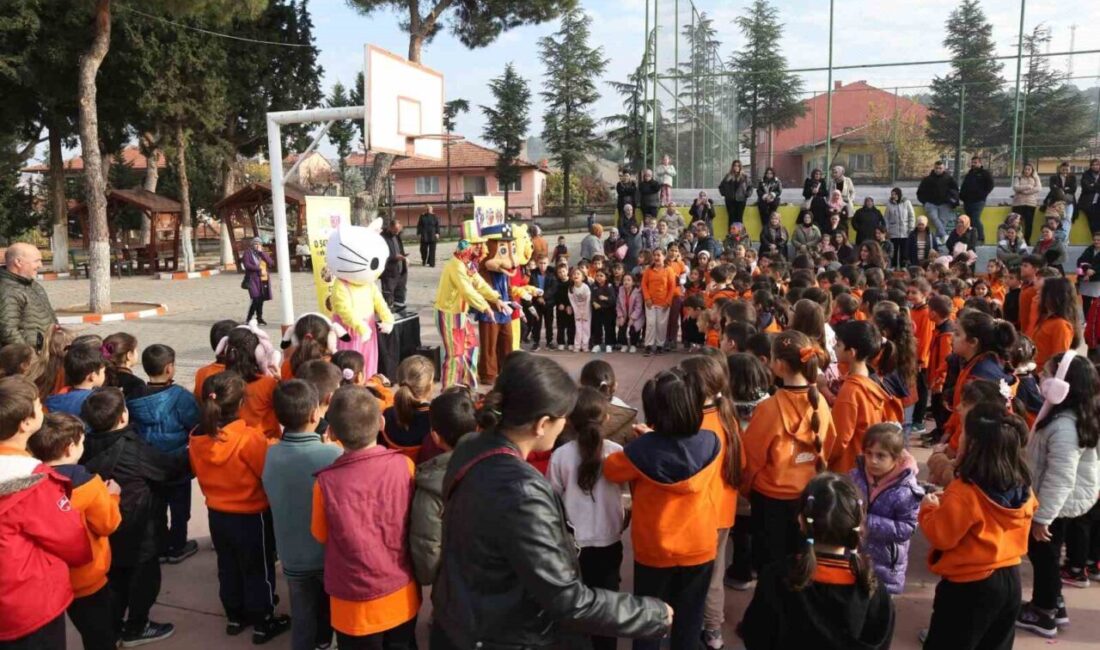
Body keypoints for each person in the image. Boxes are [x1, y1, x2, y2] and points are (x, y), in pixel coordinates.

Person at [432, 353, 671, 649]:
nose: (566, 426)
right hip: (502, 632)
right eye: (563, 418)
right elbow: (567, 600)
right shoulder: (523, 491)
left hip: (462, 615)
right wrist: (652, 613)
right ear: (543, 424)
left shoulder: (470, 448)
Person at [604, 369, 721, 650]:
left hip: (655, 549)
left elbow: (611, 470)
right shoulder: (711, 441)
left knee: (648, 621)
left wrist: (646, 439)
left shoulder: (640, 450)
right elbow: (679, 451)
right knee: (690, 621)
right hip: (700, 546)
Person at [310, 385, 420, 648]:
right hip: (401, 595)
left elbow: (320, 534)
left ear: (332, 432)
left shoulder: (324, 484)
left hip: (352, 605)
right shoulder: (405, 466)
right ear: (381, 422)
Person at [919, 405, 1036, 650]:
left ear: (972, 445)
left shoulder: (965, 492)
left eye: (962, 434)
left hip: (969, 585)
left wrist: (929, 509)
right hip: (1010, 579)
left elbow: (942, 536)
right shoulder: (1022, 487)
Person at [80, 387, 189, 646]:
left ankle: (114, 625)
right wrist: (188, 454)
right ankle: (137, 625)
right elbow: (167, 469)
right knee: (144, 579)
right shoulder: (133, 448)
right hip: (138, 526)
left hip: (104, 526)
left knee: (115, 579)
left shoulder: (84, 445)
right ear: (122, 417)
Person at [740, 474, 895, 650]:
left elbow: (756, 636)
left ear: (801, 521)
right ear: (858, 524)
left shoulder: (777, 577)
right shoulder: (872, 588)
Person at [190, 372, 290, 643]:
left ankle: (235, 615)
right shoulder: (248, 437)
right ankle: (263, 619)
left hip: (217, 512)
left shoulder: (197, 436)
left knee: (228, 565)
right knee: (259, 568)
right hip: (251, 513)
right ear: (241, 403)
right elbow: (264, 472)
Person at [0, 376, 92, 650]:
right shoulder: (34, 483)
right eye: (39, 405)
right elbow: (70, 539)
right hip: (27, 604)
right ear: (26, 423)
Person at [1019, 352, 1099, 637]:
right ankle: (1054, 601)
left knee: (1044, 555)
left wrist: (1042, 518)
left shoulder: (1065, 425)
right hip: (1057, 502)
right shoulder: (1063, 414)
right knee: (1046, 555)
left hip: (1055, 504)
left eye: (1048, 374)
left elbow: (1061, 477)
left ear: (1065, 384)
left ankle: (1044, 612)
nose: (1042, 378)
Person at [28, 413, 122, 650]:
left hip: (48, 578)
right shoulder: (88, 483)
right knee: (99, 634)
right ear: (70, 448)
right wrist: (113, 495)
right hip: (87, 577)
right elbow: (107, 523)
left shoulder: (30, 483)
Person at [743, 331, 835, 571]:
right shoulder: (821, 404)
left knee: (770, 566)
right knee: (800, 564)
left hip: (770, 499)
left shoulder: (769, 408)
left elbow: (751, 460)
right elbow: (830, 444)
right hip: (809, 496)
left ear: (780, 365)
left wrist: (745, 490)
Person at [263, 380, 342, 650]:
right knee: (331, 611)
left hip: (292, 555)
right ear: (314, 414)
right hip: (326, 554)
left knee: (302, 614)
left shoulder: (271, 454)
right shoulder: (332, 454)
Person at [548, 387, 628, 650]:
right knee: (607, 607)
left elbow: (553, 500)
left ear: (569, 420)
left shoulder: (560, 455)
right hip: (609, 542)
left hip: (574, 546)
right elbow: (628, 496)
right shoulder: (617, 452)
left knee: (576, 608)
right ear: (606, 419)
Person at [126, 344, 200, 564]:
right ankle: (177, 546)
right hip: (177, 462)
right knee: (180, 508)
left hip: (148, 461)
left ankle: (158, 544)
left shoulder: (134, 397)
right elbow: (194, 423)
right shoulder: (179, 396)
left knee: (156, 507)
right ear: (170, 368)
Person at [409, 388, 478, 586]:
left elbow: (427, 545)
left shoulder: (431, 486)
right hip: (495, 578)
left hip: (453, 583)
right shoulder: (496, 464)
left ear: (435, 436)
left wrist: (428, 576)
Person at [847, 423, 922, 595]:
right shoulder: (854, 477)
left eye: (881, 456)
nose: (873, 460)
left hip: (886, 567)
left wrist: (868, 523)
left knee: (879, 613)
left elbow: (907, 529)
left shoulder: (906, 491)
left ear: (897, 459)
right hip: (854, 558)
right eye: (869, 453)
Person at [829, 321, 898, 474]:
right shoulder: (872, 380)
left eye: (838, 344)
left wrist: (823, 459)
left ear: (851, 352)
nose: (834, 347)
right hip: (864, 467)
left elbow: (839, 439)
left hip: (847, 468)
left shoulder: (850, 391)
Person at [0, 242, 56, 352]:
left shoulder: (32, 284)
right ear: (18, 262)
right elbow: (8, 331)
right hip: (27, 361)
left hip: (43, 353)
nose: (41, 265)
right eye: (36, 261)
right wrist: (30, 356)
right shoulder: (7, 290)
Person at [381, 355, 434, 459]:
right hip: (427, 470)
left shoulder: (387, 415)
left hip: (394, 471)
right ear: (430, 385)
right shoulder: (435, 418)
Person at [44, 343, 106, 416]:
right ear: (92, 376)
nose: (105, 374)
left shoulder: (52, 401)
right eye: (103, 371)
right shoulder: (101, 401)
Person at [1032, 277, 1079, 369]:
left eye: (1043, 291)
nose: (1038, 292)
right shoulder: (1046, 319)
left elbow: (1059, 361)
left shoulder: (1061, 325)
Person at [916, 161, 959, 248]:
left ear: (944, 169)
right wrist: (925, 202)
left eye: (940, 168)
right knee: (935, 219)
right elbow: (920, 192)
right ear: (934, 168)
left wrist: (952, 201)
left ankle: (937, 240)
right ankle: (944, 235)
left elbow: (955, 191)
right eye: (936, 168)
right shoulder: (928, 179)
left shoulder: (949, 179)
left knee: (942, 221)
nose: (938, 170)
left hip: (945, 204)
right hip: (931, 204)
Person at [642, 248, 675, 357]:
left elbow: (672, 287)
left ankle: (660, 346)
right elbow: (644, 285)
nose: (656, 257)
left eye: (659, 255)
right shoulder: (648, 270)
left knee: (661, 325)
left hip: (663, 303)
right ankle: (649, 345)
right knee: (651, 324)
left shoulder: (669, 270)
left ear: (664, 257)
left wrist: (668, 301)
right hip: (650, 303)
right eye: (655, 255)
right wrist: (647, 298)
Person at [960, 155, 995, 243]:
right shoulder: (969, 174)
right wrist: (962, 196)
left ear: (980, 163)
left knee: (975, 219)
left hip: (978, 201)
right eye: (972, 163)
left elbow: (990, 185)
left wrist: (983, 194)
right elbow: (964, 186)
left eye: (975, 163)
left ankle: (981, 238)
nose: (973, 164)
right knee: (969, 221)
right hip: (968, 201)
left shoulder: (984, 173)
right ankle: (971, 239)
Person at [241, 237, 273, 325]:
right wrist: (258, 269)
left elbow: (270, 263)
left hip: (264, 279)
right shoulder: (248, 253)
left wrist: (261, 252)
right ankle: (249, 318)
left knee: (261, 299)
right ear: (252, 244)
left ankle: (259, 318)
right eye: (255, 243)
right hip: (252, 279)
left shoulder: (262, 253)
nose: (257, 245)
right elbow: (247, 265)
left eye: (259, 243)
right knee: (255, 298)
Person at [380, 219, 408, 311]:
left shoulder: (397, 236)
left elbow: (399, 249)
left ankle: (399, 306)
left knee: (400, 290)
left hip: (400, 268)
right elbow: (380, 254)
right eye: (395, 231)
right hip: (389, 271)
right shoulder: (382, 238)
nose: (396, 233)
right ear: (390, 227)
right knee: (388, 293)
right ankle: (388, 309)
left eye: (398, 231)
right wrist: (394, 257)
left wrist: (404, 258)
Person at [884, 188, 915, 269]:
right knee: (894, 251)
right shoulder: (889, 204)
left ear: (899, 194)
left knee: (904, 251)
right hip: (893, 232)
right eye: (892, 194)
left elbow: (911, 216)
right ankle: (893, 266)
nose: (893, 196)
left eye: (894, 194)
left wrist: (910, 228)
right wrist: (887, 230)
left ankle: (903, 266)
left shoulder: (906, 202)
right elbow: (886, 218)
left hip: (905, 232)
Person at [1013, 162, 1043, 243]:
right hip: (1018, 203)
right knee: (1016, 223)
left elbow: (1039, 188)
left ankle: (1027, 241)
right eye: (1025, 169)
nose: (1027, 171)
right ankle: (1016, 240)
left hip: (1030, 203)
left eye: (1029, 169)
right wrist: (1028, 186)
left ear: (1032, 170)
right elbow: (1016, 187)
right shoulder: (1018, 177)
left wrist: (1026, 192)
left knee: (1029, 224)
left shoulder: (1035, 177)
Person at [719, 160, 751, 226]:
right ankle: (731, 235)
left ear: (740, 167)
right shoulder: (728, 176)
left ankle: (740, 234)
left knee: (739, 218)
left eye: (738, 166)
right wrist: (725, 194)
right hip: (730, 200)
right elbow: (721, 186)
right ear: (732, 167)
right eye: (735, 165)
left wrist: (747, 194)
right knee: (731, 218)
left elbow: (750, 187)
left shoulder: (745, 177)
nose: (736, 167)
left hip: (741, 200)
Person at [568, 267, 593, 352]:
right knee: (578, 328)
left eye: (578, 274)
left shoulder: (585, 287)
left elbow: (588, 300)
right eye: (574, 274)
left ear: (583, 277)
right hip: (577, 310)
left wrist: (585, 312)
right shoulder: (571, 288)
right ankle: (577, 346)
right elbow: (572, 302)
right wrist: (577, 312)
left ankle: (585, 346)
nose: (576, 275)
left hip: (586, 309)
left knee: (586, 328)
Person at [1076, 232, 1100, 315]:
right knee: (1086, 301)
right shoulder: (1089, 249)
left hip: (1097, 281)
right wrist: (1086, 271)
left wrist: (1094, 270)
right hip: (1086, 279)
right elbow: (1080, 261)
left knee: (1097, 302)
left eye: (1098, 240)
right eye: (1094, 240)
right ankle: (1086, 320)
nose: (1096, 242)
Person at [1079, 158, 1100, 235]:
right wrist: (1097, 186)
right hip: (1088, 202)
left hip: (1098, 202)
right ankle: (1096, 239)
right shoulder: (1086, 174)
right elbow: (1086, 187)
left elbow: (1090, 187)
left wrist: (1093, 185)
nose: (1095, 166)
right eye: (1093, 165)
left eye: (1097, 164)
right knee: (1093, 223)